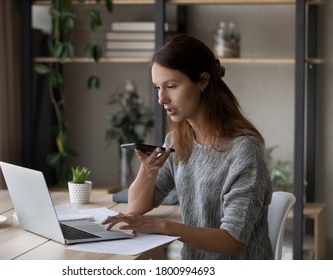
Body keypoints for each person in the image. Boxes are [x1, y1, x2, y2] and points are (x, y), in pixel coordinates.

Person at [102, 33, 273, 260]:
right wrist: (148, 170)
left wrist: (163, 226)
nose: (162, 99)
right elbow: (136, 206)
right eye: (157, 88)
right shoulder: (177, 140)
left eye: (171, 86)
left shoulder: (244, 150)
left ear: (202, 81)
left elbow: (232, 241)